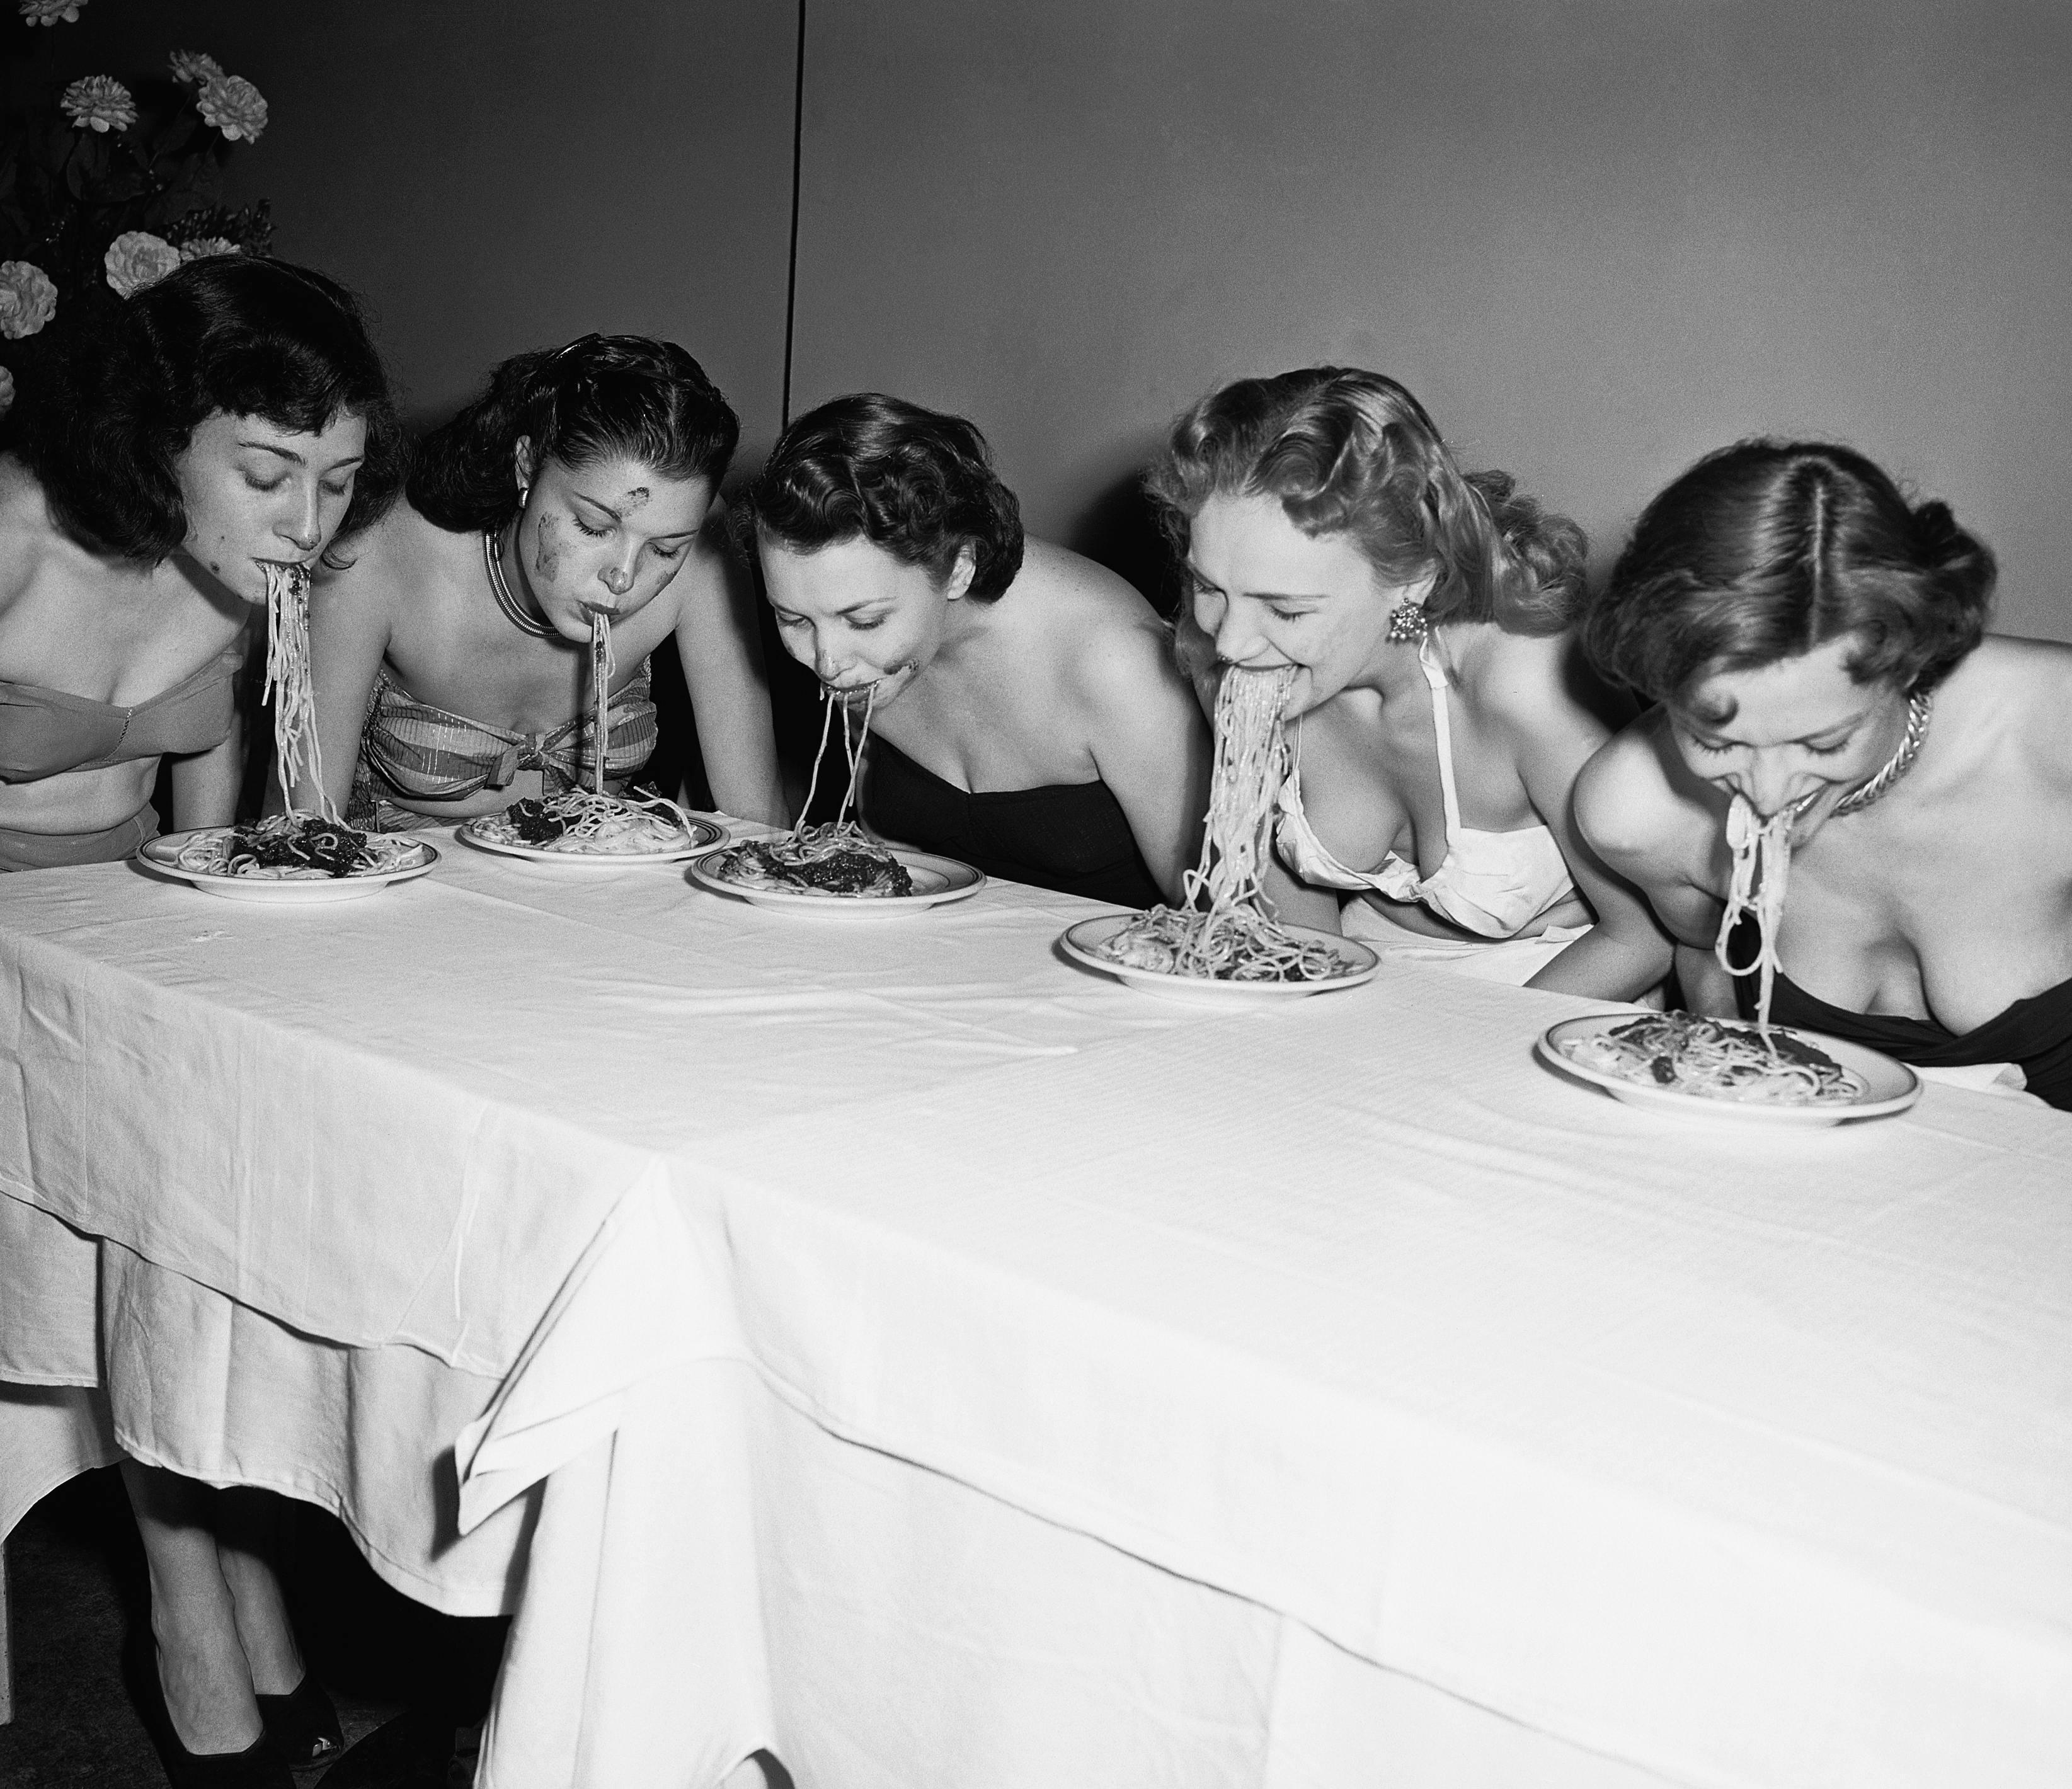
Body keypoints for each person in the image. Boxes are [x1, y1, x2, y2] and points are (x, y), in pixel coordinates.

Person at [1, 254, 408, 1781]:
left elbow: (204, 834)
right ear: (157, 433)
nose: (307, 527)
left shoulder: (244, 577)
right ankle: (190, 1585)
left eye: (341, 481)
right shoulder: (14, 531)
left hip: (126, 935)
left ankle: (225, 1552)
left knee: (223, 1185)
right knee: (128, 1206)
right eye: (267, 475)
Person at [1576, 439, 2072, 1106]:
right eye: (1715, 741)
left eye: (1824, 740)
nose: (1768, 793)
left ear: (1912, 658)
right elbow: (1709, 970)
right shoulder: (1634, 813)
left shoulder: (2054, 734)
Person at [1150, 367, 1670, 998]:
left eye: (1286, 609)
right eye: (1209, 587)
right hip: (1362, 983)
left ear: (1414, 579)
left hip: (1554, 999)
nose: (1230, 641)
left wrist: (1452, 1051)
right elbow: (1297, 933)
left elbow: (1641, 937)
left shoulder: (1528, 680)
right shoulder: (1234, 658)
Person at [735, 392, 1208, 905]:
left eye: (865, 620)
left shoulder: (1113, 659)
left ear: (959, 568)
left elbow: (1210, 916)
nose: (826, 662)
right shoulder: (859, 643)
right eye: (793, 619)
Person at [302, 334, 786, 828]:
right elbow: (300, 822)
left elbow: (756, 817)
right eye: (593, 527)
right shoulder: (381, 547)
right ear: (526, 465)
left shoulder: (706, 540)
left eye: (664, 550)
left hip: (608, 883)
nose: (622, 577)